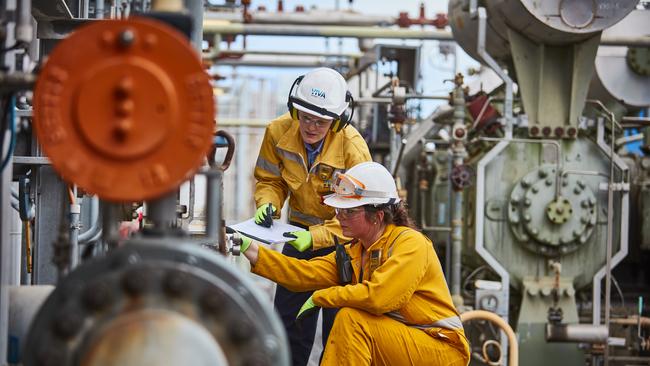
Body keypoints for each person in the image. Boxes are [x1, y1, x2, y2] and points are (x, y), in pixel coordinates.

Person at [239, 162, 470, 366]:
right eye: (339, 210)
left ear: (377, 215)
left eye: (348, 212)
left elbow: (380, 296)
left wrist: (322, 297)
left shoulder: (410, 244)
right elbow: (304, 273)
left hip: (440, 347)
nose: (339, 217)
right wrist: (248, 248)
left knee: (352, 320)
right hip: (404, 338)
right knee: (353, 321)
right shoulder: (357, 251)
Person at [253, 67, 372, 365]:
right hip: (297, 233)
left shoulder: (353, 150)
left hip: (345, 244)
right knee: (289, 321)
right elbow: (270, 180)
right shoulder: (277, 132)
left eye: (321, 121)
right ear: (295, 110)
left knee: (339, 326)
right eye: (305, 117)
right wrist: (268, 204)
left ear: (337, 121)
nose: (311, 126)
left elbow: (360, 215)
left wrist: (316, 237)